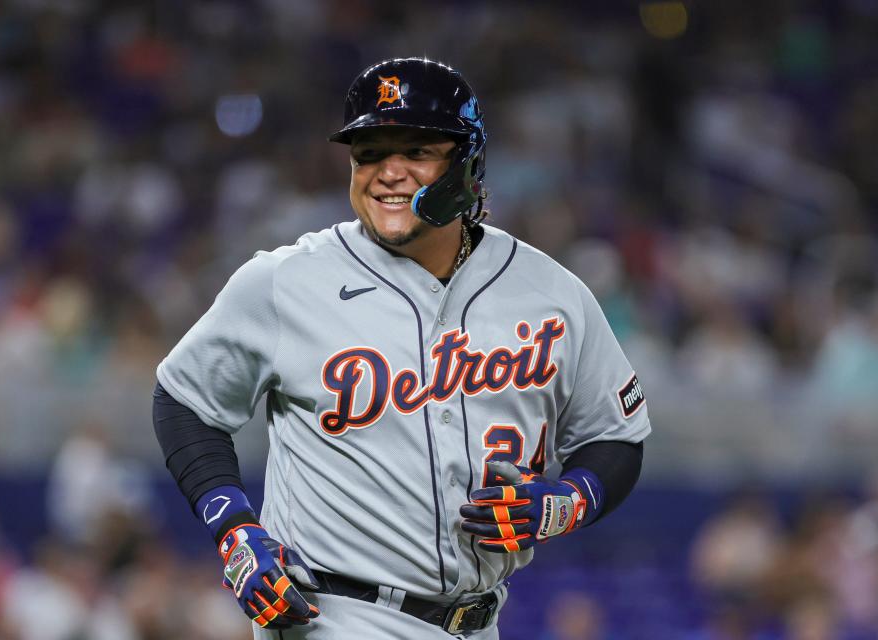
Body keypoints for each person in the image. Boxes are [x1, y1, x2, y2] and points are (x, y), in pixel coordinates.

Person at [152, 57, 650, 639]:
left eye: (415, 152)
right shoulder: (286, 281)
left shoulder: (552, 293)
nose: (388, 172)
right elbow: (184, 400)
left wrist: (565, 501)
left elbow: (614, 435)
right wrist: (235, 528)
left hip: (479, 621)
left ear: (468, 163)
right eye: (369, 153)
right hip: (332, 615)